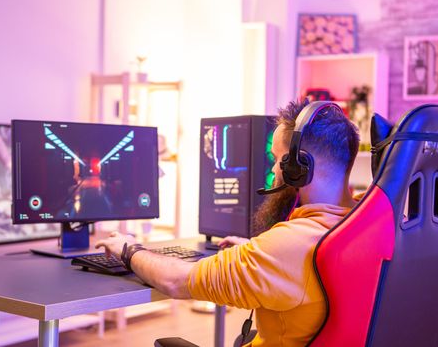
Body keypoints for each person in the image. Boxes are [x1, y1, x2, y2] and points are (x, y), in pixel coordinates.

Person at [95, 99, 360, 346]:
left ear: (299, 166)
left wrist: (128, 249)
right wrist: (255, 252)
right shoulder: (365, 220)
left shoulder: (289, 246)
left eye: (277, 159)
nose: (272, 170)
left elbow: (175, 280)